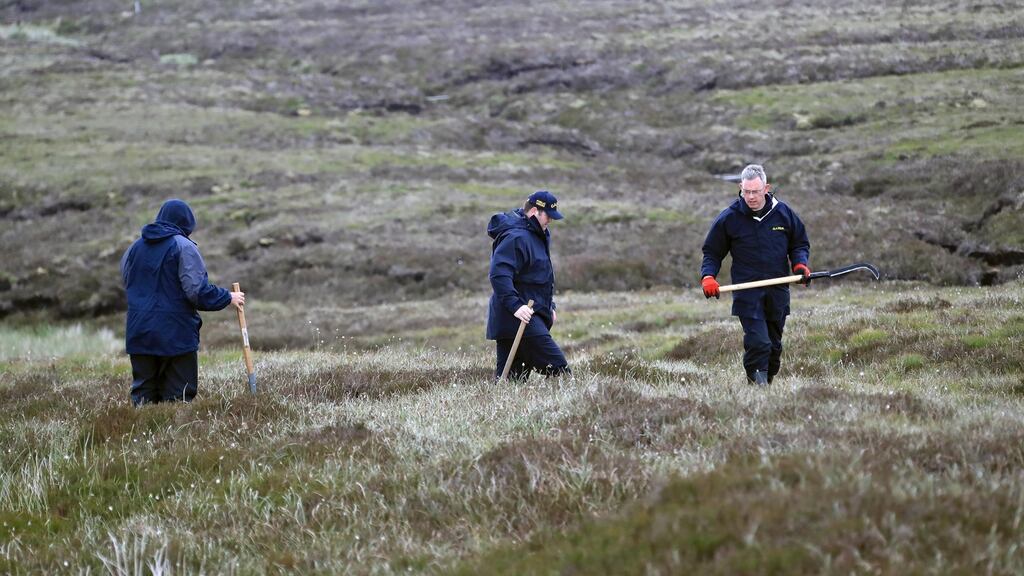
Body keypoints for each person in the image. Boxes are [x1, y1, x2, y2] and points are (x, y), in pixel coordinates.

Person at [120, 199, 244, 405]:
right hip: (175, 335)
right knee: (179, 396)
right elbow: (196, 291)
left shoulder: (134, 248)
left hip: (139, 332)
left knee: (143, 397)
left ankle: (142, 436)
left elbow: (127, 281)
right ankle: (176, 437)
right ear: (187, 224)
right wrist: (227, 297)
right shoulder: (183, 246)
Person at [700, 164, 811, 386]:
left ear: (766, 188)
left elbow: (799, 243)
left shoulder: (783, 213)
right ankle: (756, 388)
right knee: (758, 343)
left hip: (778, 290)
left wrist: (800, 265)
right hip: (747, 292)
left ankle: (766, 383)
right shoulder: (729, 218)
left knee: (773, 347)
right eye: (746, 191)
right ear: (741, 188)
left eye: (755, 192)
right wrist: (708, 277)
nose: (750, 197)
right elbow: (712, 252)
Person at [486, 190, 571, 381]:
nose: (550, 220)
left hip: (527, 314)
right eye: (548, 215)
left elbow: (537, 276)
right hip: (518, 317)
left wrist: (549, 306)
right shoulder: (516, 237)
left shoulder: (536, 234)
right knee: (561, 373)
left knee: (512, 382)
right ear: (534, 211)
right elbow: (499, 274)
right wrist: (516, 306)